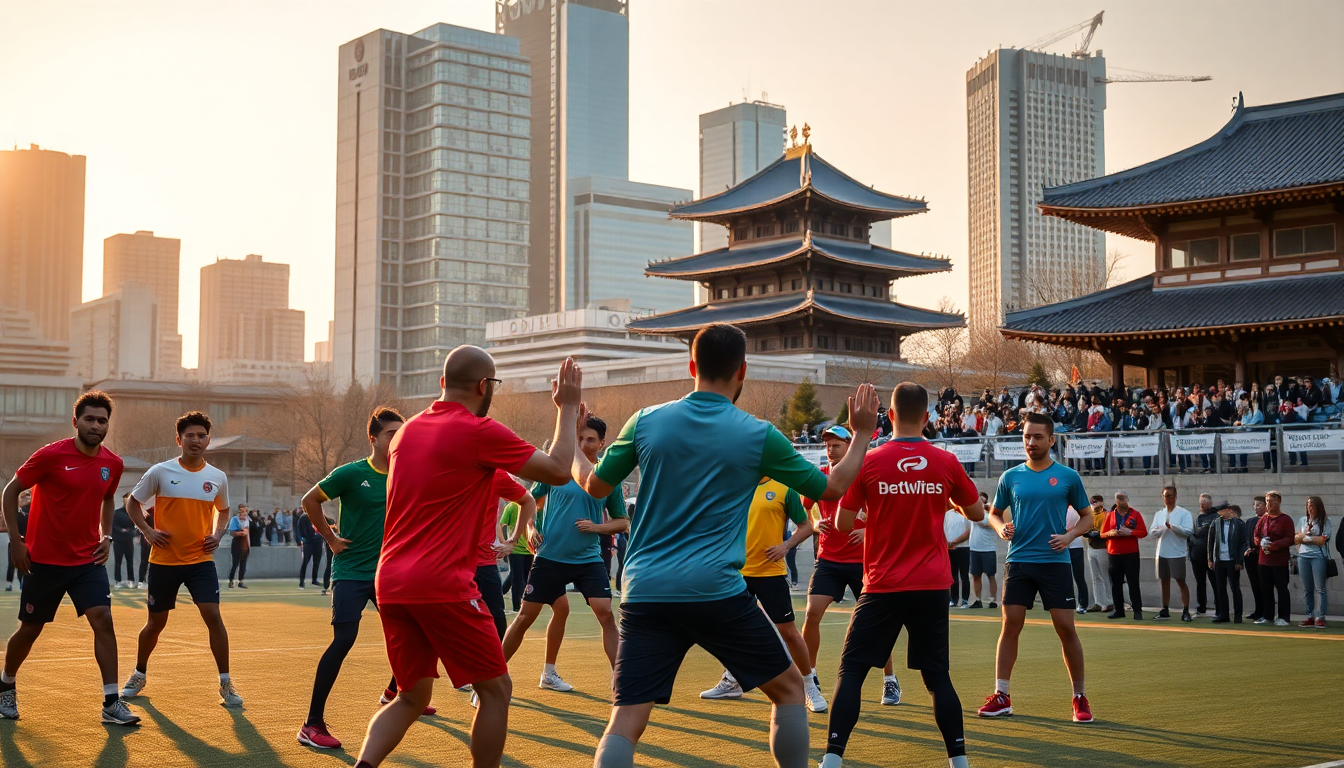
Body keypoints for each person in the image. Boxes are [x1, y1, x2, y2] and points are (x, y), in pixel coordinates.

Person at [572, 323, 879, 768]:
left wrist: (568, 425)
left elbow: (593, 485)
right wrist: (863, 433)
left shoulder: (646, 420)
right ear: (743, 371)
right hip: (716, 591)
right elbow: (832, 488)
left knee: (626, 718)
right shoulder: (758, 434)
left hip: (646, 591)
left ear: (691, 366)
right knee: (789, 690)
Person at [349, 350, 583, 768]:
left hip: (391, 582)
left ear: (443, 383)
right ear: (483, 386)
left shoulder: (405, 434)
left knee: (410, 697)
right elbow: (559, 470)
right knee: (496, 690)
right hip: (441, 582)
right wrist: (566, 408)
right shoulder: (478, 431)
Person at [819, 382, 984, 768]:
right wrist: (941, 498)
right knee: (937, 678)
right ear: (927, 418)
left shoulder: (870, 461)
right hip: (932, 584)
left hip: (883, 584)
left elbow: (842, 523)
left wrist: (875, 511)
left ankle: (831, 760)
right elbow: (977, 513)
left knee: (852, 671)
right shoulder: (946, 461)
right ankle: (959, 762)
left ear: (890, 416)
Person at [297, 408, 435, 750]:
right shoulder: (352, 473)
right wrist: (330, 538)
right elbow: (309, 500)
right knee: (344, 639)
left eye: (402, 433)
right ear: (373, 439)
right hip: (352, 572)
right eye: (391, 434)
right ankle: (311, 724)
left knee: (417, 634)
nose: (398, 439)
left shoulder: (408, 473)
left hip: (390, 573)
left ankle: (398, 693)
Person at [0, 391, 139, 725]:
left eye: (102, 420)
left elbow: (108, 499)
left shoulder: (113, 464)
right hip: (43, 561)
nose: (96, 425)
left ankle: (111, 703)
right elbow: (10, 491)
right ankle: (5, 684)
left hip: (86, 561)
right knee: (30, 630)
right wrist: (16, 541)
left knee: (103, 619)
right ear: (76, 422)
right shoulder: (50, 455)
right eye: (89, 419)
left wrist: (106, 535)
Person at [978, 413, 1093, 724]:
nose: (1031, 442)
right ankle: (1001, 696)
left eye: (1038, 437)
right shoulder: (1010, 476)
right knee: (1010, 625)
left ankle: (1079, 697)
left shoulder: (1068, 476)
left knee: (1066, 628)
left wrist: (1069, 536)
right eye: (1027, 436)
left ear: (1051, 440)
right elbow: (994, 513)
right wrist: (1000, 527)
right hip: (1018, 561)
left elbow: (1087, 517)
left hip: (1055, 562)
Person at [121, 411, 240, 708]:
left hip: (201, 561)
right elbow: (132, 503)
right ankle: (139, 673)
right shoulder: (160, 472)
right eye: (190, 435)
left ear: (208, 440)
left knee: (213, 616)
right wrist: (148, 531)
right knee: (155, 624)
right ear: (179, 440)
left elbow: (224, 510)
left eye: (201, 435)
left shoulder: (217, 477)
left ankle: (226, 683)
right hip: (164, 561)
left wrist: (218, 533)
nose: (196, 440)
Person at [500, 415, 626, 693]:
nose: (582, 443)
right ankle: (490, 680)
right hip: (550, 557)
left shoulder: (607, 478)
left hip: (588, 559)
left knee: (606, 613)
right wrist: (530, 528)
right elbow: (530, 502)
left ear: (602, 443)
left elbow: (623, 521)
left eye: (590, 439)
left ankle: (623, 683)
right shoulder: (556, 470)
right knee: (526, 616)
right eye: (578, 437)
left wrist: (597, 527)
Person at [799, 425, 900, 715]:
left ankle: (890, 680)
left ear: (849, 446)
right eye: (827, 445)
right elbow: (807, 511)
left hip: (863, 560)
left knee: (876, 623)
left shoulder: (864, 473)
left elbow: (888, 512)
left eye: (837, 445)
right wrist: (816, 524)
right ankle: (810, 677)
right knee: (811, 614)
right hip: (828, 559)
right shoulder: (818, 476)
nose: (831, 450)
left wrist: (868, 531)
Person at [699, 476, 814, 705]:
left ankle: (810, 685)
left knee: (788, 632)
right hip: (736, 573)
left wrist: (785, 546)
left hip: (771, 573)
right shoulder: (733, 485)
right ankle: (732, 680)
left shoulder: (784, 489)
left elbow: (807, 527)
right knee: (730, 630)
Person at [1101, 492, 1147, 621]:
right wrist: (1110, 533)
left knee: (1133, 582)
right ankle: (1119, 610)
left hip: (1131, 553)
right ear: (1115, 501)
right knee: (1116, 583)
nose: (1121, 501)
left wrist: (1131, 532)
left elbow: (1143, 532)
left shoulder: (1135, 514)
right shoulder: (1110, 515)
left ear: (1127, 499)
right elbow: (1102, 534)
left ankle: (1137, 610)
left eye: (1123, 498)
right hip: (1114, 553)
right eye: (1118, 499)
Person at [1150, 486, 1193, 622]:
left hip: (1177, 552)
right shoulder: (1159, 514)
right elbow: (1152, 531)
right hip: (1162, 551)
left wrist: (1173, 527)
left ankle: (1186, 610)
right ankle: (1165, 609)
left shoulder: (1184, 513)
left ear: (1175, 497)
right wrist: (1158, 531)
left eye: (1169, 496)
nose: (1166, 498)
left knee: (1180, 580)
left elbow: (1188, 531)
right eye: (1164, 496)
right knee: (1164, 580)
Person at [1253, 491, 1295, 627]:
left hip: (1279, 560)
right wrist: (1260, 542)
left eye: (1273, 501)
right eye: (1267, 501)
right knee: (1266, 589)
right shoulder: (1263, 519)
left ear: (1279, 502)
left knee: (1281, 588)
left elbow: (1290, 538)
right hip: (1263, 559)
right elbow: (1256, 535)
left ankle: (1284, 617)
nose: (1269, 504)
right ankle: (1267, 615)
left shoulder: (1285, 519)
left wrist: (1274, 545)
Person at [1294, 496, 1331, 628]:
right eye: (1308, 505)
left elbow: (1322, 540)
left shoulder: (1325, 521)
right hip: (1303, 556)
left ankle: (1320, 616)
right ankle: (1310, 615)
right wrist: (1309, 538)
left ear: (1318, 507)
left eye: (1312, 505)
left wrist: (1305, 538)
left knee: (1320, 588)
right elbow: (1296, 538)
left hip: (1318, 557)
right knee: (1307, 588)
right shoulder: (1303, 520)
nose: (1309, 508)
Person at [1206, 504, 1245, 623]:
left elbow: (1243, 543)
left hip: (1232, 560)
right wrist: (1210, 559)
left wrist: (1239, 560)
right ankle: (1224, 614)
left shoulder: (1239, 524)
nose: (1220, 513)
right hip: (1219, 559)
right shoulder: (1216, 523)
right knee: (1221, 588)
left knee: (1235, 588)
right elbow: (1210, 541)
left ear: (1228, 510)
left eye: (1222, 511)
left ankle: (1238, 615)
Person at [1188, 494, 1219, 617]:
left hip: (1210, 556)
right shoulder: (1198, 518)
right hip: (1197, 556)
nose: (1202, 504)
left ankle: (1219, 607)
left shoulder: (1215, 517)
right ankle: (1201, 608)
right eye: (1201, 502)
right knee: (1200, 583)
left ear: (1210, 503)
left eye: (1205, 502)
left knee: (1215, 582)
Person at [968, 492, 998, 610]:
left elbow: (982, 523)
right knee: (976, 575)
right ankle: (977, 600)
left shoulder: (991, 516)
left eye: (982, 501)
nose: (980, 503)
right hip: (974, 549)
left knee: (991, 575)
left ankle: (993, 600)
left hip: (988, 550)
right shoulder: (974, 514)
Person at [1081, 495, 1112, 613]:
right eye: (1092, 502)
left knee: (1105, 576)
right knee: (1095, 577)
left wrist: (1098, 533)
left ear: (1102, 502)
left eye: (1096, 502)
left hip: (1103, 548)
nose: (1093, 504)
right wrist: (1088, 533)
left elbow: (1107, 530)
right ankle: (1099, 602)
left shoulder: (1106, 515)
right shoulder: (1089, 515)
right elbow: (1084, 529)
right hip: (1091, 547)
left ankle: (1109, 602)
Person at [1242, 496, 1266, 621]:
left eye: (1259, 505)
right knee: (1255, 584)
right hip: (1251, 557)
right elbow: (1246, 538)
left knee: (1264, 585)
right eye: (1255, 505)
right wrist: (1247, 548)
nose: (1256, 507)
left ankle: (1266, 611)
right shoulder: (1250, 522)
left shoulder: (1268, 520)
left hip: (1263, 556)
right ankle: (1258, 610)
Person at [4, 490, 30, 591]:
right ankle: (12, 584)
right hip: (16, 541)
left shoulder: (28, 512)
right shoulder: (17, 513)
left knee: (23, 565)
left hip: (25, 541)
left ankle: (22, 584)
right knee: (13, 564)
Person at [945, 509, 971, 609]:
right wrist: (948, 543)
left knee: (964, 575)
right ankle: (953, 599)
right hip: (950, 549)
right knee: (953, 575)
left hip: (964, 548)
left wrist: (955, 542)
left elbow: (969, 531)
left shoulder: (966, 512)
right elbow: (943, 530)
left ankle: (965, 600)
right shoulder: (948, 514)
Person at [1064, 505, 1088, 615]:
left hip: (1075, 545)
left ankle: (1082, 604)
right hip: (1063, 545)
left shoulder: (1075, 510)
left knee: (1079, 576)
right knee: (1065, 576)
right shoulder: (1059, 507)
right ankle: (1067, 601)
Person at [111, 493, 137, 588]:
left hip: (128, 541)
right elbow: (113, 526)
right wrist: (121, 530)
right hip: (118, 541)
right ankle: (118, 581)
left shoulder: (133, 513)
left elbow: (135, 526)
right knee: (118, 562)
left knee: (130, 561)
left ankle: (131, 580)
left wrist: (134, 533)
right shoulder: (117, 513)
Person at [298, 509, 327, 592]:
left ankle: (314, 579)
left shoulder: (319, 517)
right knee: (305, 562)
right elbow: (302, 531)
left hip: (318, 542)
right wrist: (307, 536)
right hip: (308, 542)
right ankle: (301, 581)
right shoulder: (304, 518)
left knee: (316, 562)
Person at [227, 505, 250, 589]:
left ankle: (241, 581)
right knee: (235, 564)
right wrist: (240, 533)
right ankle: (231, 580)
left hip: (245, 543)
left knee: (243, 565)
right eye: (242, 513)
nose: (244, 515)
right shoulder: (235, 520)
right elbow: (232, 532)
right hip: (237, 543)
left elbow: (247, 531)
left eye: (245, 513)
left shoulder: (247, 521)